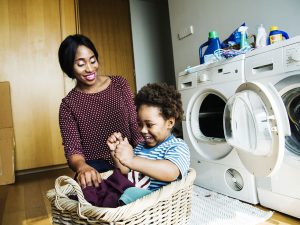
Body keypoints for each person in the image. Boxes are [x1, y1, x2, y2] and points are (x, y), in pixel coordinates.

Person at [58, 34, 143, 188]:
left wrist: (146, 156)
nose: (90, 69)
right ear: (69, 67)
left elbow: (135, 126)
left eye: (93, 60)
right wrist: (82, 167)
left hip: (129, 156)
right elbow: (73, 150)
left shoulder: (119, 84)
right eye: (81, 64)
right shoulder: (68, 105)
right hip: (97, 167)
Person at [107, 83, 190, 191]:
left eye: (149, 125)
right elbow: (125, 171)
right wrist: (116, 154)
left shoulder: (177, 146)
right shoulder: (140, 147)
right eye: (140, 124)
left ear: (169, 123)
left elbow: (171, 172)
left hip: (156, 201)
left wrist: (132, 160)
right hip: (134, 196)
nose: (143, 130)